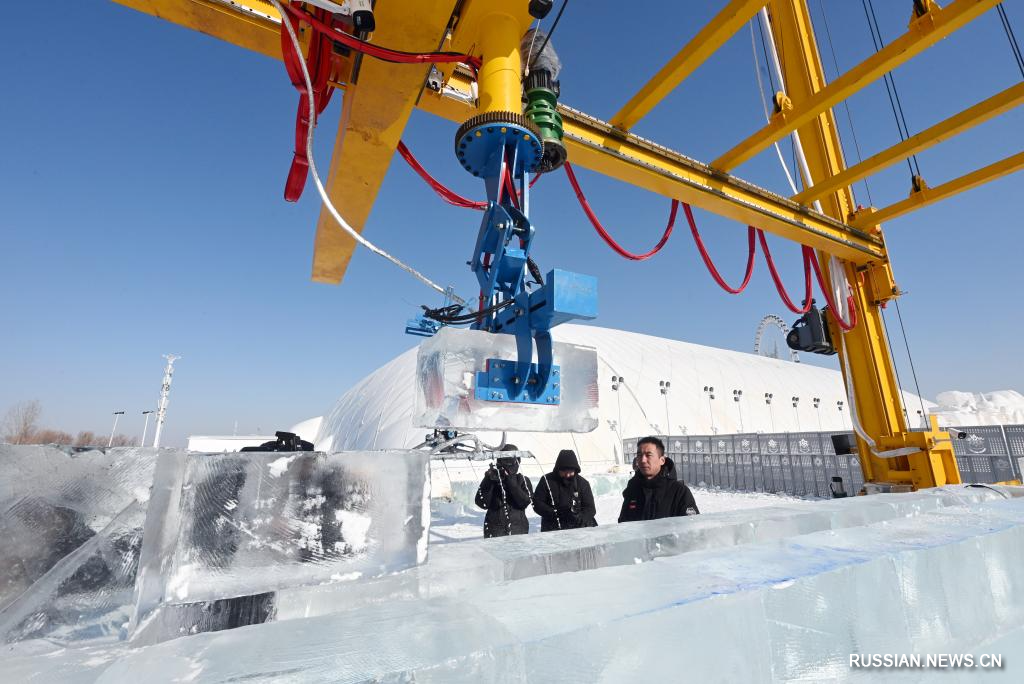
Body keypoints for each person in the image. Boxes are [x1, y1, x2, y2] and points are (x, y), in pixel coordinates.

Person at [618, 436, 699, 522]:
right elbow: (623, 525)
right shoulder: (633, 489)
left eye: (648, 455)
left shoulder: (679, 491)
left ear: (662, 460)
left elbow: (692, 528)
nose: (643, 460)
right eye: (639, 455)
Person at [474, 444, 533, 538]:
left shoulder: (523, 480)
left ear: (517, 462)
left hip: (518, 531)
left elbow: (524, 502)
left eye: (511, 461)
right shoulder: (493, 479)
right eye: (504, 461)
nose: (507, 465)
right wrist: (488, 481)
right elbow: (481, 503)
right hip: (495, 531)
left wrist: (510, 481)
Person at [533, 449, 597, 531]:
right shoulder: (547, 481)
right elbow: (537, 503)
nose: (567, 475)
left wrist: (579, 518)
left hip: (578, 530)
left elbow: (590, 508)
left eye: (570, 471)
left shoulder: (582, 483)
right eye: (564, 471)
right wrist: (555, 513)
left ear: (575, 470)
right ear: (558, 469)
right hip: (553, 528)